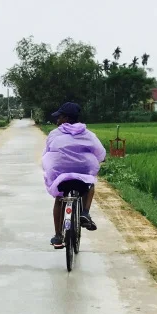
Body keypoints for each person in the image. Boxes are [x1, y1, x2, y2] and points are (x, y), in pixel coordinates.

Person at [41, 101, 107, 248]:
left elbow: (47, 152)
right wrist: (101, 159)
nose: (57, 120)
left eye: (59, 117)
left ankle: (58, 236)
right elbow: (100, 152)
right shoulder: (88, 134)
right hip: (83, 171)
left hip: (61, 173)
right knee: (90, 184)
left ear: (66, 118)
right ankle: (85, 212)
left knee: (59, 199)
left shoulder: (55, 133)